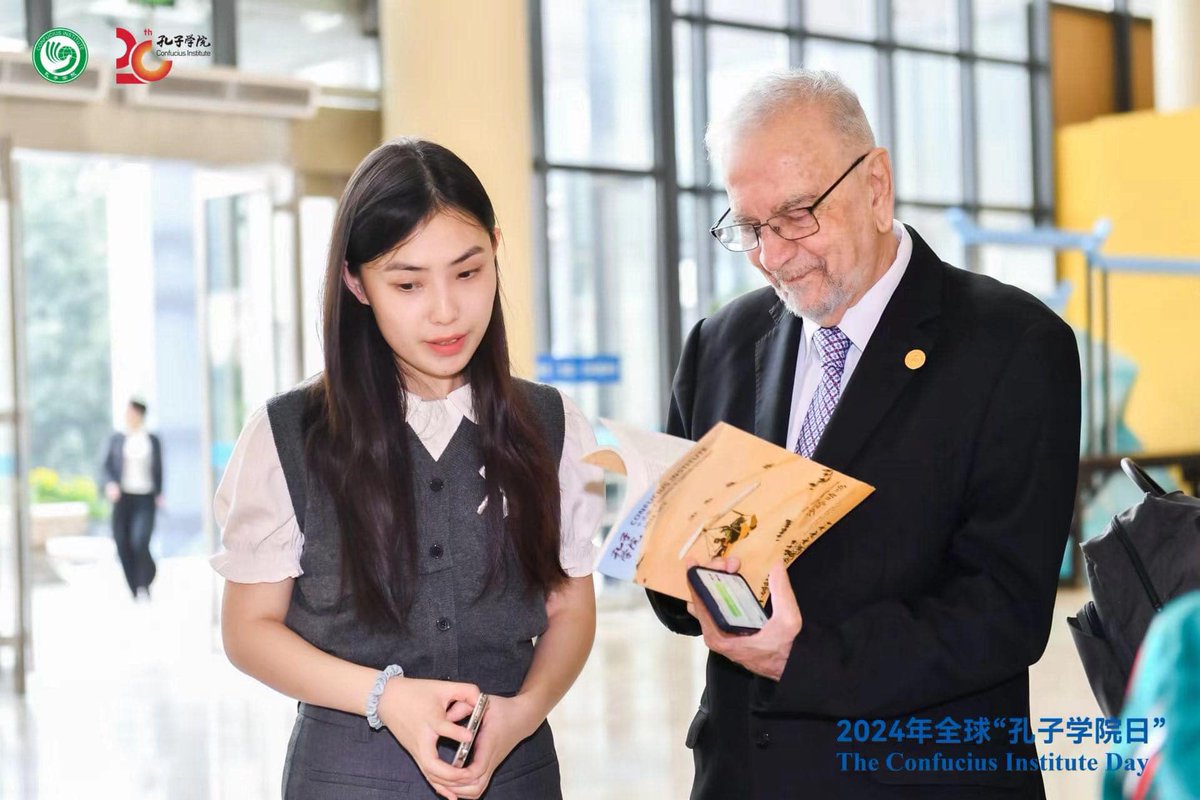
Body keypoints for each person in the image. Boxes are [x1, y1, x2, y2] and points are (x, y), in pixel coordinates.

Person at [647, 69, 1082, 799]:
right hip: (745, 772)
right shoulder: (722, 342)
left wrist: (803, 656)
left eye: (797, 216)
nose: (773, 255)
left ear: (877, 186)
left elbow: (1004, 611)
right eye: (749, 228)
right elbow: (674, 585)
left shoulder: (1013, 346)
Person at [211, 138, 601, 800]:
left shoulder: (552, 421)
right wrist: (384, 697)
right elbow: (247, 630)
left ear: (496, 252)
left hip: (517, 771)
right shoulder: (289, 435)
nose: (445, 310)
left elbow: (571, 609)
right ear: (356, 282)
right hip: (348, 777)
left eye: (468, 273)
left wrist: (523, 712)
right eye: (408, 283)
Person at [102, 397, 163, 599]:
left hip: (145, 498)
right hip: (123, 499)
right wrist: (110, 484)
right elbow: (106, 467)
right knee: (122, 542)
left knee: (140, 540)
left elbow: (159, 469)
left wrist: (160, 493)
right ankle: (134, 587)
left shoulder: (151, 439)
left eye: (132, 412)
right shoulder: (117, 439)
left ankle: (147, 577)